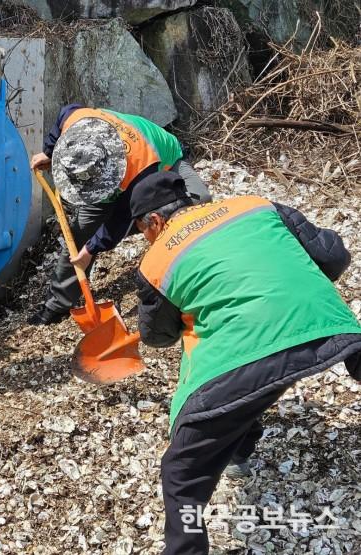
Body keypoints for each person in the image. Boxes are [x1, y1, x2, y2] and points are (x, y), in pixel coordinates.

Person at [129, 171, 361, 555]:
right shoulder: (256, 206)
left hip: (238, 359)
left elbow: (159, 337)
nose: (146, 239)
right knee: (258, 385)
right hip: (328, 327)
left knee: (181, 475)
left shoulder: (156, 261)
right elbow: (334, 256)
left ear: (153, 222)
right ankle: (240, 451)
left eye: (142, 230)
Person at [28, 104, 212, 325]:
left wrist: (93, 247)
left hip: (164, 163)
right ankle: (57, 304)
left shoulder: (141, 168)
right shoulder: (75, 118)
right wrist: (49, 152)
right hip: (108, 182)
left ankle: (183, 275)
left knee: (198, 202)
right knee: (78, 236)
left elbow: (121, 216)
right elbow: (64, 113)